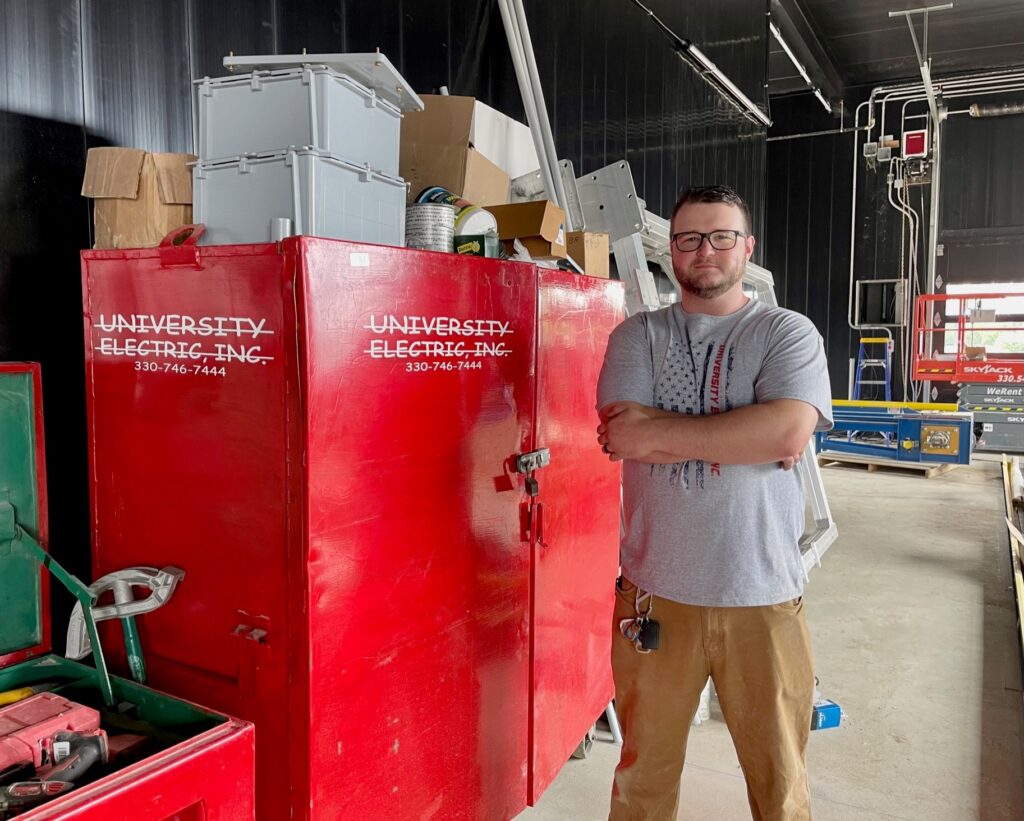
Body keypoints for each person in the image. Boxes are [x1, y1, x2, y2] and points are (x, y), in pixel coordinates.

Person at [595, 184, 833, 821]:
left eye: (721, 235)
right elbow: (623, 435)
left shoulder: (787, 332)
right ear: (670, 253)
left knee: (780, 779)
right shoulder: (636, 336)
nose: (705, 250)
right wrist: (747, 433)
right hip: (655, 596)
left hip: (763, 594)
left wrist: (662, 432)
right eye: (689, 238)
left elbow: (786, 431)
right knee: (642, 777)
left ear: (746, 248)